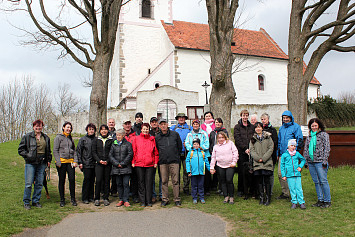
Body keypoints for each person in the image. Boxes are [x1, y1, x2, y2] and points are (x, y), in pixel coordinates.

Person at [18, 119, 52, 209]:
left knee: (39, 183)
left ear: (42, 127)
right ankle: (26, 202)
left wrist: (49, 160)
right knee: (29, 183)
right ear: (33, 127)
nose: (38, 127)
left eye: (40, 126)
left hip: (42, 163)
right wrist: (28, 156)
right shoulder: (27, 136)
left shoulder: (46, 137)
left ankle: (36, 201)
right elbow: (20, 150)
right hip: (31, 163)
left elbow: (48, 151)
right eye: (36, 126)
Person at [303, 118, 331, 208]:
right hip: (311, 162)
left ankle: (327, 201)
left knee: (323, 181)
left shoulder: (324, 135)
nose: (314, 127)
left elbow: (327, 148)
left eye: (315, 125)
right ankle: (320, 200)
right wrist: (306, 162)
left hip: (320, 162)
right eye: (312, 126)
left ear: (319, 125)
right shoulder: (309, 136)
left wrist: (324, 161)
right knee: (316, 182)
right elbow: (306, 149)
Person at [155, 119, 183, 206]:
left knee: (175, 181)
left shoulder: (175, 134)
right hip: (163, 162)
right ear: (159, 126)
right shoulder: (157, 137)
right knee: (164, 181)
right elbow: (156, 149)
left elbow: (179, 146)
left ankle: (177, 199)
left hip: (174, 161)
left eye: (165, 124)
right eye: (161, 124)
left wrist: (175, 156)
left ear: (167, 125)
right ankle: (165, 199)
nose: (163, 126)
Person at [277, 110, 303, 200]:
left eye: (287, 118)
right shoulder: (281, 128)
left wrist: (296, 152)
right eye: (284, 118)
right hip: (282, 155)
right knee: (280, 174)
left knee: (292, 175)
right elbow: (279, 141)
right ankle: (285, 192)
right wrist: (278, 153)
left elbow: (299, 140)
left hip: (292, 155)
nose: (285, 119)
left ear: (290, 118)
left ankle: (294, 192)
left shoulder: (296, 127)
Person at [132, 123, 159, 207]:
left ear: (149, 130)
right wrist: (133, 162)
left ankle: (149, 200)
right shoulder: (136, 139)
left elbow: (156, 152)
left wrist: (155, 162)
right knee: (141, 183)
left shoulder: (152, 139)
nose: (145, 130)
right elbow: (134, 151)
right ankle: (142, 201)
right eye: (144, 129)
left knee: (149, 183)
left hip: (150, 164)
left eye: (147, 129)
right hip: (139, 164)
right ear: (141, 129)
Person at [249, 122, 274, 206]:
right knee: (259, 182)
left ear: (262, 128)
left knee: (267, 181)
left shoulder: (268, 137)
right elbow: (252, 150)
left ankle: (268, 198)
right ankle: (261, 197)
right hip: (257, 163)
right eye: (256, 127)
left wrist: (263, 158)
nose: (258, 129)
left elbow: (271, 148)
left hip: (267, 162)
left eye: (259, 127)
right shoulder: (252, 139)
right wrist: (258, 158)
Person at [53, 121, 77, 207]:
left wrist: (75, 161)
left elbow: (74, 150)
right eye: (67, 127)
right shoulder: (58, 137)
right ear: (63, 128)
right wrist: (58, 161)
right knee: (62, 181)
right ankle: (62, 200)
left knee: (72, 180)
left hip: (70, 163)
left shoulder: (71, 138)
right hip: (61, 163)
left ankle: (73, 199)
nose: (69, 129)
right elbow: (55, 150)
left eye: (70, 128)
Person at [210, 131, 238, 204]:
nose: (221, 139)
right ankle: (226, 196)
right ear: (217, 139)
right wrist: (212, 167)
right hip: (220, 165)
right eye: (219, 138)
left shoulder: (230, 143)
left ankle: (231, 196)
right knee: (222, 181)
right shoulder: (215, 147)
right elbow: (213, 157)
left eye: (222, 137)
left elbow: (235, 153)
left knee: (229, 180)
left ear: (225, 138)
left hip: (230, 165)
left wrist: (234, 162)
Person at [109, 129, 133, 207]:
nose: (118, 137)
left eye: (119, 135)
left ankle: (126, 200)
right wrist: (116, 163)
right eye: (117, 135)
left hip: (125, 168)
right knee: (119, 184)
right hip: (116, 168)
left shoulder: (128, 144)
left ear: (123, 135)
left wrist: (123, 163)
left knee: (126, 184)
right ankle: (121, 199)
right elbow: (110, 155)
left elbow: (130, 154)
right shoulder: (114, 144)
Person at [233, 109, 255, 199]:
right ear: (241, 116)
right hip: (242, 152)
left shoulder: (252, 127)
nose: (245, 117)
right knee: (242, 171)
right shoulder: (237, 127)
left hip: (251, 152)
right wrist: (245, 148)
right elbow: (237, 139)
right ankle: (241, 189)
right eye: (243, 115)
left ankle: (250, 189)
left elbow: (253, 138)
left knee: (251, 171)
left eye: (246, 115)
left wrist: (250, 148)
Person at [280, 139, 306, 209]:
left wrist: (300, 166)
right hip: (289, 175)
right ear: (288, 146)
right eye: (292, 145)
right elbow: (282, 166)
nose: (293, 147)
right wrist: (284, 175)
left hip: (297, 174)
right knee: (292, 189)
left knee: (299, 188)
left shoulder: (297, 154)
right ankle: (294, 202)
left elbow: (303, 160)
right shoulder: (284, 155)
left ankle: (301, 202)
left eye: (294, 146)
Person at [92, 124, 114, 206]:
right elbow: (94, 152)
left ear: (108, 130)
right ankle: (97, 198)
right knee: (98, 181)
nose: (104, 131)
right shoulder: (96, 140)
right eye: (102, 129)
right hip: (99, 164)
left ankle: (106, 198)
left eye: (105, 129)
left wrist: (108, 161)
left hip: (108, 164)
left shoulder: (111, 140)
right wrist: (99, 160)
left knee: (107, 181)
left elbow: (112, 152)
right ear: (100, 131)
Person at [170, 113, 192, 195]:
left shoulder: (190, 128)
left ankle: (186, 188)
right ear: (177, 119)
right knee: (176, 171)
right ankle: (177, 188)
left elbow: (194, 138)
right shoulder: (173, 128)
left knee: (186, 171)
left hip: (187, 153)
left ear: (185, 119)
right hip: (176, 153)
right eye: (180, 118)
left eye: (183, 118)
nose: (181, 119)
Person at [76, 123, 96, 204]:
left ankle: (91, 196)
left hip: (94, 163)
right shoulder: (83, 139)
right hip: (86, 162)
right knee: (86, 179)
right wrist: (80, 162)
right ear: (87, 130)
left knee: (92, 180)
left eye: (92, 129)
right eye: (90, 129)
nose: (91, 131)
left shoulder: (96, 139)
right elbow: (79, 151)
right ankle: (85, 197)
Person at [186, 138, 211, 204]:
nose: (196, 145)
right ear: (192, 145)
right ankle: (194, 198)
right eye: (194, 144)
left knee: (201, 185)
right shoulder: (190, 153)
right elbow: (187, 162)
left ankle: (202, 197)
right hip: (193, 173)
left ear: (199, 145)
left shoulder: (202, 153)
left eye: (197, 144)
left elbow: (206, 162)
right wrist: (189, 171)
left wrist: (210, 169)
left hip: (201, 173)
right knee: (194, 186)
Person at [209, 118, 229, 193]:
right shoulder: (212, 132)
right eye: (216, 122)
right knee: (216, 172)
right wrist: (211, 151)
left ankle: (221, 188)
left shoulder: (224, 131)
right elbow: (211, 143)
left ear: (221, 123)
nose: (218, 124)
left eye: (219, 123)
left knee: (222, 173)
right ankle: (215, 186)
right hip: (214, 153)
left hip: (222, 154)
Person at [260, 113, 278, 195]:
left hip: (270, 155)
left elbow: (274, 142)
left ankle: (269, 191)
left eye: (265, 119)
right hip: (261, 156)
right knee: (262, 174)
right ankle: (263, 190)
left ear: (268, 120)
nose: (263, 121)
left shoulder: (273, 130)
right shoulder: (259, 129)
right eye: (262, 119)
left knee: (270, 174)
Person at [149, 116, 162, 203]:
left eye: (155, 122)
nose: (154, 123)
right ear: (150, 124)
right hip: (151, 158)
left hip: (161, 157)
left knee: (162, 177)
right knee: (152, 178)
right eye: (152, 122)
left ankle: (161, 194)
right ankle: (153, 194)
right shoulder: (148, 133)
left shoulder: (162, 132)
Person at [107, 118, 118, 197]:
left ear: (114, 124)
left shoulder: (116, 133)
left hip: (115, 156)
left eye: (112, 122)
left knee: (114, 175)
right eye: (110, 122)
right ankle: (105, 190)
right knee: (107, 176)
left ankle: (114, 191)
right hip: (106, 156)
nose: (111, 124)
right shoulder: (105, 132)